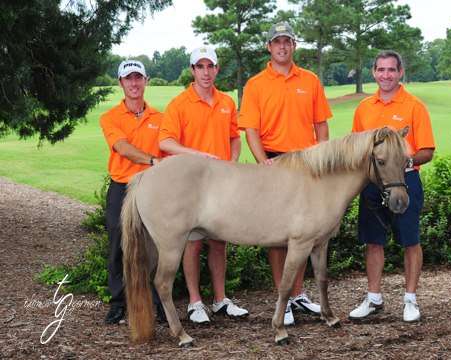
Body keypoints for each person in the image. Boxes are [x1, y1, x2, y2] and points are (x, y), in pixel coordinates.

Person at [238, 22, 333, 326]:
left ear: (294, 46)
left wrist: (323, 157)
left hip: (307, 163)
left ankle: (297, 294)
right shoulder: (255, 84)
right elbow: (250, 129)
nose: (282, 47)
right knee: (279, 237)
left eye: (287, 42)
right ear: (269, 47)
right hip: (274, 161)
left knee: (305, 232)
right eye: (277, 42)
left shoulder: (311, 80)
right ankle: (284, 298)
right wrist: (263, 160)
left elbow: (321, 124)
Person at [158, 46, 248, 324]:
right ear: (193, 70)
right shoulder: (179, 104)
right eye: (200, 67)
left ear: (217, 69)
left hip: (221, 183)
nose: (206, 72)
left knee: (219, 242)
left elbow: (235, 136)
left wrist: (231, 161)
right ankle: (195, 302)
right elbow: (165, 142)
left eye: (211, 66)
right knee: (193, 245)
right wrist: (198, 156)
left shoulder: (226, 102)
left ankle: (221, 300)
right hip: (193, 185)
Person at [349, 50, 435, 323]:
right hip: (373, 183)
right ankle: (374, 298)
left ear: (400, 73)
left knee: (410, 240)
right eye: (381, 70)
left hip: (405, 181)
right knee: (373, 241)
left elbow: (427, 151)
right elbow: (356, 146)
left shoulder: (414, 106)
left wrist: (404, 159)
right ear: (374, 72)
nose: (386, 75)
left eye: (391, 70)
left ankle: (410, 299)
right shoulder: (364, 108)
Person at [100, 59, 167, 324]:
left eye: (138, 77)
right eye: (129, 78)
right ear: (121, 83)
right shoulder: (110, 117)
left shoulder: (160, 118)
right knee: (117, 240)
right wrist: (152, 160)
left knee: (156, 246)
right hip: (122, 186)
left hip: (152, 187)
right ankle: (118, 303)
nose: (134, 83)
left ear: (146, 81)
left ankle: (160, 301)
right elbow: (122, 148)